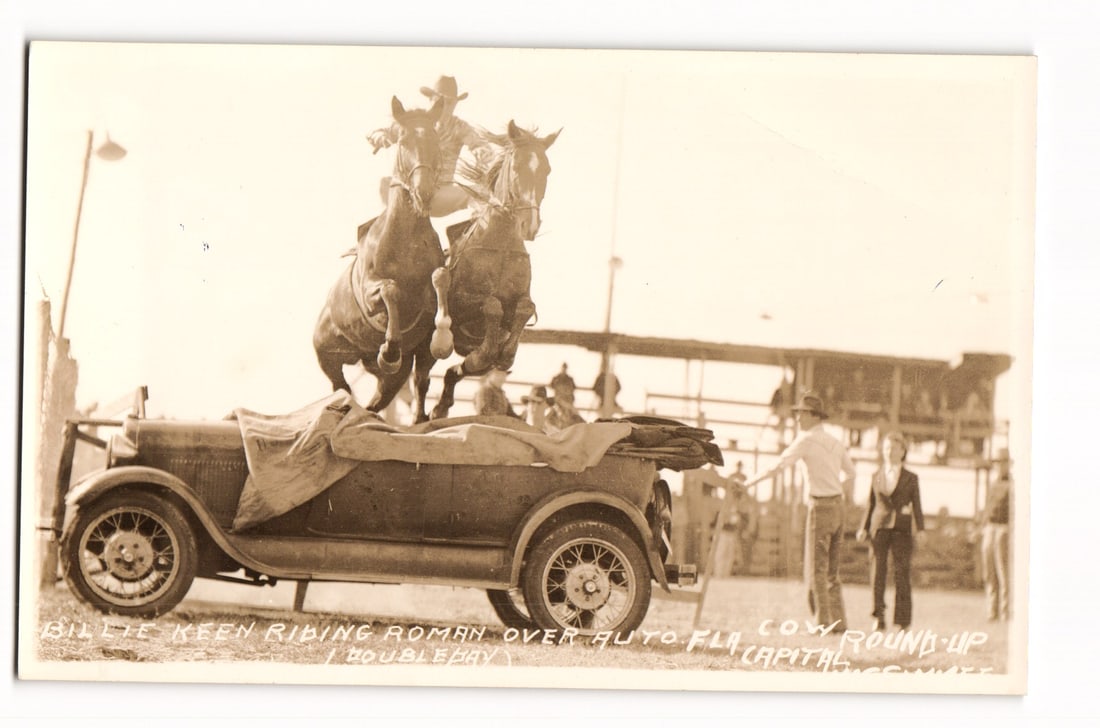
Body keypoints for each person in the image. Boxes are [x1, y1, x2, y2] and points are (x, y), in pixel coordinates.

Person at [736, 392, 856, 633]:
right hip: (837, 506)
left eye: (801, 413)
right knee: (832, 570)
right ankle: (839, 622)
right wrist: (837, 492)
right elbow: (851, 473)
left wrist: (748, 484)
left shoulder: (806, 440)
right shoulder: (835, 441)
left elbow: (778, 466)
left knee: (816, 569)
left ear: (812, 416)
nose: (798, 418)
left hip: (820, 506)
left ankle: (822, 622)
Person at [367, 75, 494, 218]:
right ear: (431, 100)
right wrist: (380, 137)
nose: (445, 106)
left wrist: (482, 151)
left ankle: (478, 229)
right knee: (385, 183)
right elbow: (379, 132)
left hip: (438, 194)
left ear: (455, 104)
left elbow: (479, 144)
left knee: (481, 193)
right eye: (441, 101)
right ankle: (391, 226)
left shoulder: (459, 127)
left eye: (450, 102)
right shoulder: (415, 123)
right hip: (407, 190)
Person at [856, 431, 927, 631]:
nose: (889, 452)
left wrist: (920, 529)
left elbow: (917, 505)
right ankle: (878, 617)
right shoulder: (876, 475)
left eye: (894, 449)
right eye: (886, 448)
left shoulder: (911, 478)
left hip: (902, 529)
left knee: (902, 573)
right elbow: (870, 504)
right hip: (879, 529)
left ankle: (903, 621)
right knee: (877, 573)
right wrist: (863, 528)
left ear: (902, 451)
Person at [980, 448, 1012, 621]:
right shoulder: (993, 484)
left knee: (1002, 570)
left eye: (1003, 462)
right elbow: (987, 508)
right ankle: (992, 611)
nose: (1000, 466)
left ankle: (1005, 611)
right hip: (990, 528)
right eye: (998, 463)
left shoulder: (1012, 485)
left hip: (1003, 528)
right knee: (989, 571)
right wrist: (982, 527)